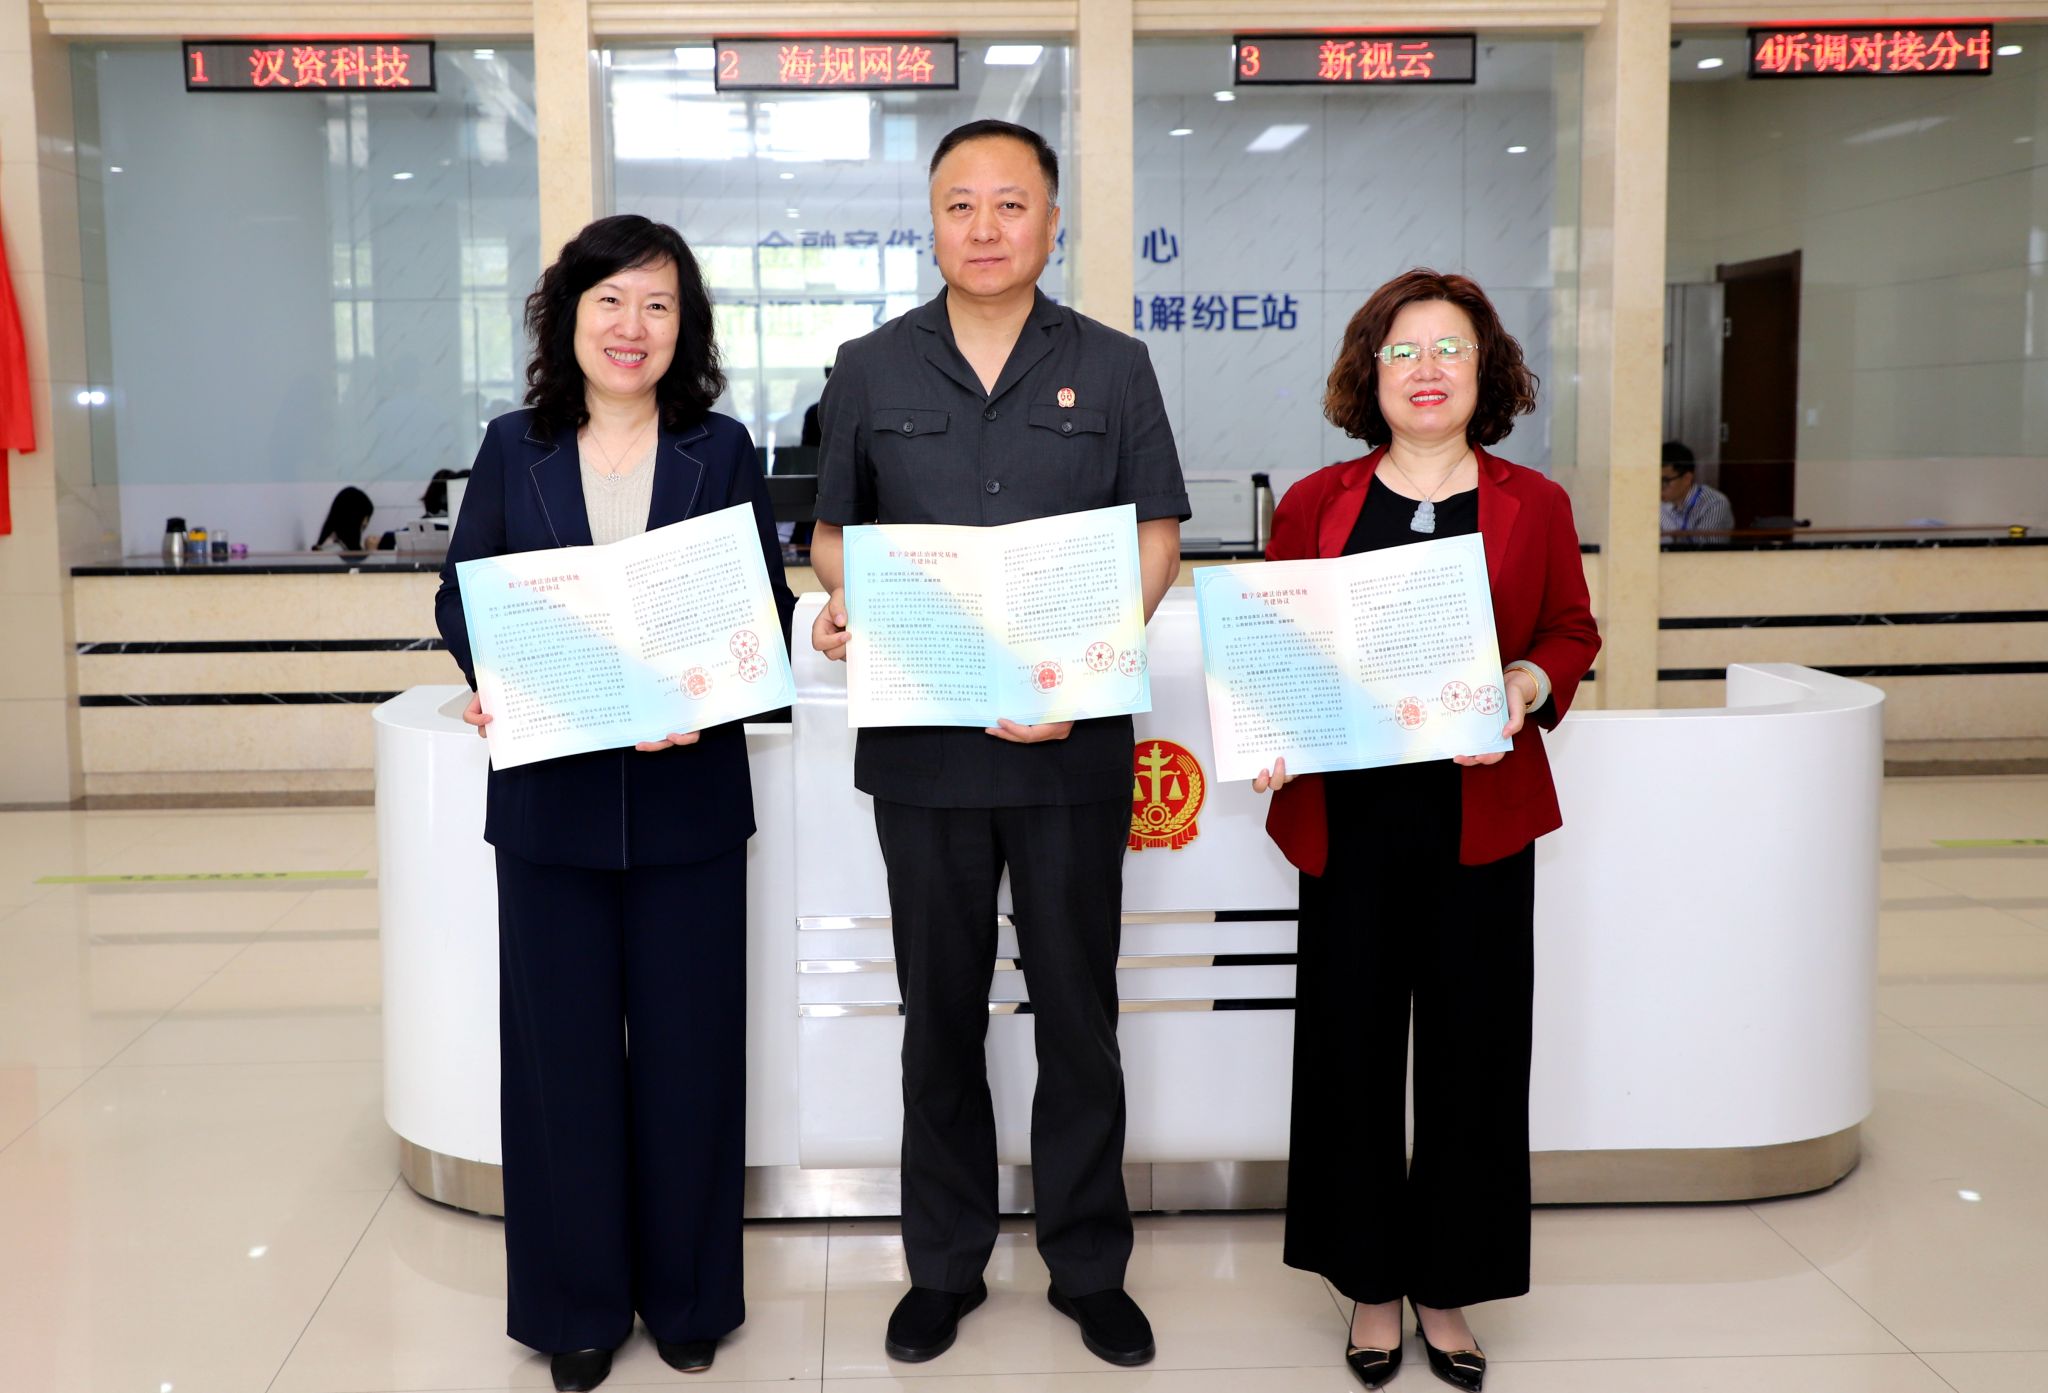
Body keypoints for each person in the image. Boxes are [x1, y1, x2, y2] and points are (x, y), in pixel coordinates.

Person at [807, 119, 1187, 1368]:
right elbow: (833, 536)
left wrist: (1089, 665)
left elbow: (1155, 535)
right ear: (931, 223)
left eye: (1010, 203)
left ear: (1051, 222)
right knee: (938, 1017)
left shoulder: (1115, 367)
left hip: (1069, 748)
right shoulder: (868, 367)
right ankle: (943, 1266)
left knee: (1078, 1013)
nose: (984, 226)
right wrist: (845, 603)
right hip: (921, 752)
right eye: (960, 204)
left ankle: (1087, 1266)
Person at [435, 214, 796, 1393]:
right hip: (552, 803)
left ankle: (689, 1297)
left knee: (692, 1056)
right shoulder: (513, 446)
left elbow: (759, 607)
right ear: (568, 316)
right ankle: (577, 1306)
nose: (631, 326)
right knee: (562, 1067)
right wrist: (497, 677)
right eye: (610, 300)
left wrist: (714, 692)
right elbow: (464, 597)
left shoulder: (719, 448)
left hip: (689, 796)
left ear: (683, 326)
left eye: (656, 304)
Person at [1252, 269, 1599, 1392]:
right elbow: (1277, 642)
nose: (1427, 370)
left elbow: (1570, 630)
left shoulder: (1532, 502)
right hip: (1347, 820)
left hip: (1478, 815)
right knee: (1347, 1051)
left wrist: (1525, 685)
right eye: (1402, 351)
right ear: (1371, 374)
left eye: (1450, 348)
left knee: (1474, 1055)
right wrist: (1267, 722)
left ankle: (1446, 1285)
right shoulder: (1316, 501)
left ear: (1487, 371)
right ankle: (1368, 1280)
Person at [1659, 440, 1734, 543]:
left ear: (1687, 478)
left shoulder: (1715, 503)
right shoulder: (1657, 503)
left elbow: (1705, 549)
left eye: (1665, 481)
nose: (1658, 487)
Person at [312, 486, 382, 551]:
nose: (365, 523)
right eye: (365, 518)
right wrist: (371, 554)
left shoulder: (336, 545)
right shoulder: (333, 549)